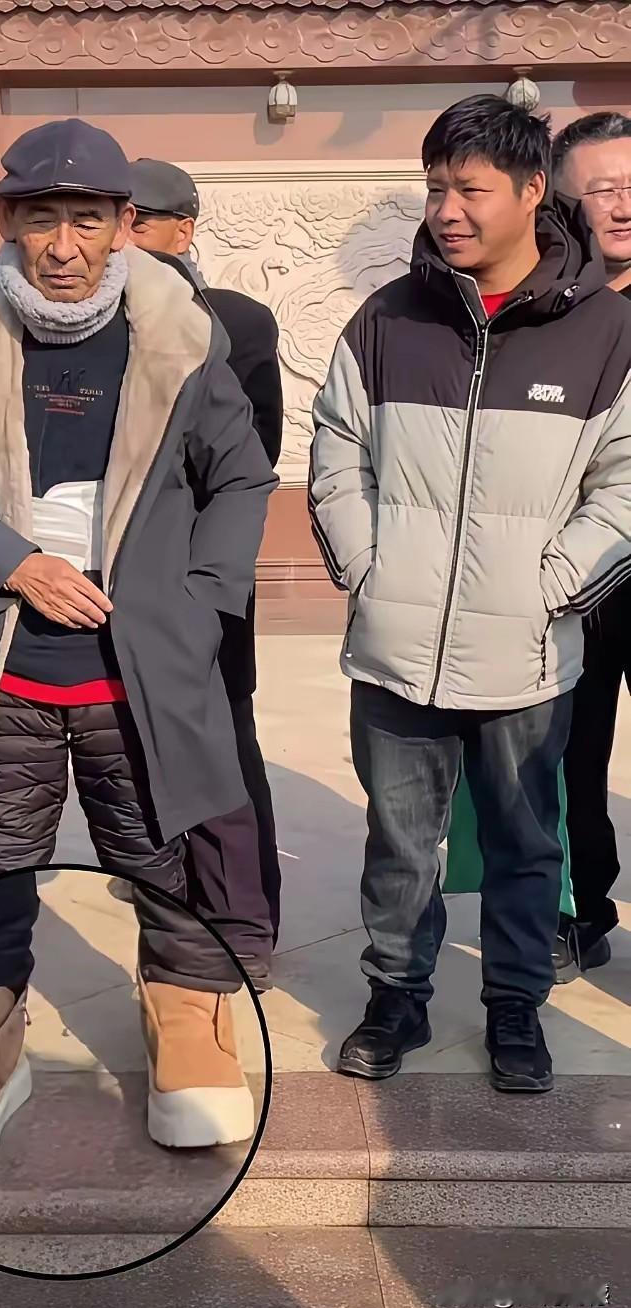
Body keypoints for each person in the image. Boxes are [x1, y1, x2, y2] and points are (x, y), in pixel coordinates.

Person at [0, 118, 277, 1162]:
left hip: (140, 665)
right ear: (6, 218)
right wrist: (16, 563)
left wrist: (200, 602)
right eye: (41, 218)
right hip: (9, 662)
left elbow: (241, 476)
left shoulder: (182, 328)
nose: (63, 245)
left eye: (87, 220)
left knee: (159, 849)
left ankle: (184, 1014)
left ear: (124, 223)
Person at [309, 94, 631, 1094]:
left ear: (533, 192)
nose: (447, 210)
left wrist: (553, 585)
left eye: (471, 189)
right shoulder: (388, 317)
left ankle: (515, 1008)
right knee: (400, 843)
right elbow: (336, 447)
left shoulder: (605, 330)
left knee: (526, 844)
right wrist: (368, 567)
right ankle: (395, 996)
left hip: (526, 653)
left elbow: (625, 483)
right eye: (436, 187)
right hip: (394, 646)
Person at [128, 157, 284, 944]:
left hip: (201, 575)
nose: (115, 236)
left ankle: (248, 915)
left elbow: (252, 460)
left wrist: (206, 582)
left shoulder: (236, 323)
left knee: (224, 739)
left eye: (135, 220)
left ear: (182, 231)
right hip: (109, 583)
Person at [551, 112, 631, 981]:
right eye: (603, 189)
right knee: (569, 750)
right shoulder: (549, 311)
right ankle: (581, 909)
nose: (623, 204)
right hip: (574, 570)